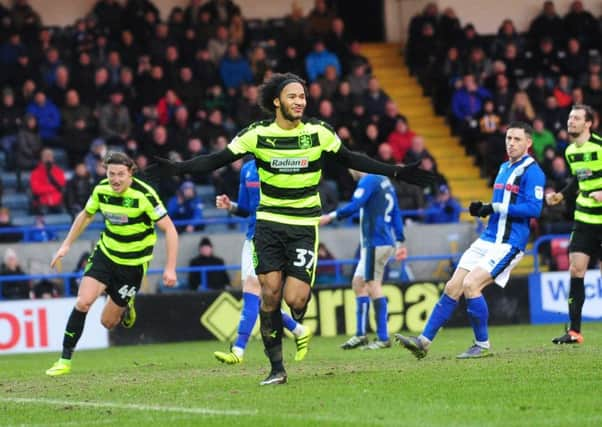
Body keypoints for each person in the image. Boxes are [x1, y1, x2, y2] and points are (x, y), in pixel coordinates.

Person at [149, 72, 433, 385]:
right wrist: (178, 169)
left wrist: (397, 171)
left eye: (302, 97)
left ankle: (297, 316)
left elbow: (353, 158)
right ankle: (276, 369)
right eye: (293, 96)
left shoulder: (318, 132)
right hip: (268, 224)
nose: (300, 102)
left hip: (302, 227)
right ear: (276, 102)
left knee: (295, 299)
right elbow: (216, 159)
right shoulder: (257, 134)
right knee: (269, 295)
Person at [396, 121, 545, 359]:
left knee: (471, 285)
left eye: (517, 139)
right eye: (508, 138)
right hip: (488, 237)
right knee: (453, 286)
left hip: (509, 242)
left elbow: (534, 209)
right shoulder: (504, 167)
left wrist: (493, 206)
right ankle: (423, 342)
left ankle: (482, 345)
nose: (511, 143)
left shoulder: (533, 172)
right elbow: (501, 206)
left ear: (528, 143)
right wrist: (486, 210)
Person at [45, 152, 178, 376]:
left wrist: (170, 267)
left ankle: (127, 304)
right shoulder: (101, 190)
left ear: (130, 173)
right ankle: (64, 360)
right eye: (111, 173)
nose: (115, 179)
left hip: (132, 265)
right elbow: (85, 215)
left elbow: (170, 229)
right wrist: (66, 245)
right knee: (83, 302)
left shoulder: (144, 195)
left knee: (107, 322)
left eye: (120, 175)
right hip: (106, 254)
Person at [212, 159, 311, 364]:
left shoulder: (281, 164)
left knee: (254, 288)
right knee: (258, 295)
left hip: (274, 238)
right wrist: (230, 206)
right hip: (252, 237)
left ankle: (238, 350)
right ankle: (298, 330)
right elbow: (246, 208)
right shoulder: (247, 170)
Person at [320, 170, 407, 350]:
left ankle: (383, 337)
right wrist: (399, 240)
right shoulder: (385, 181)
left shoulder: (368, 180)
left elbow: (355, 205)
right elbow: (396, 211)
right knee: (358, 283)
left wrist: (330, 217)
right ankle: (361, 334)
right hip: (383, 241)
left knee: (372, 285)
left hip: (375, 242)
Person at [545, 104, 602, 344]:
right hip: (584, 218)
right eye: (570, 117)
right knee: (576, 270)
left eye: (577, 118)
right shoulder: (569, 152)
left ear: (589, 123)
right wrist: (561, 194)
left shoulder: (600, 146)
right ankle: (574, 331)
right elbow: (578, 180)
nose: (571, 121)